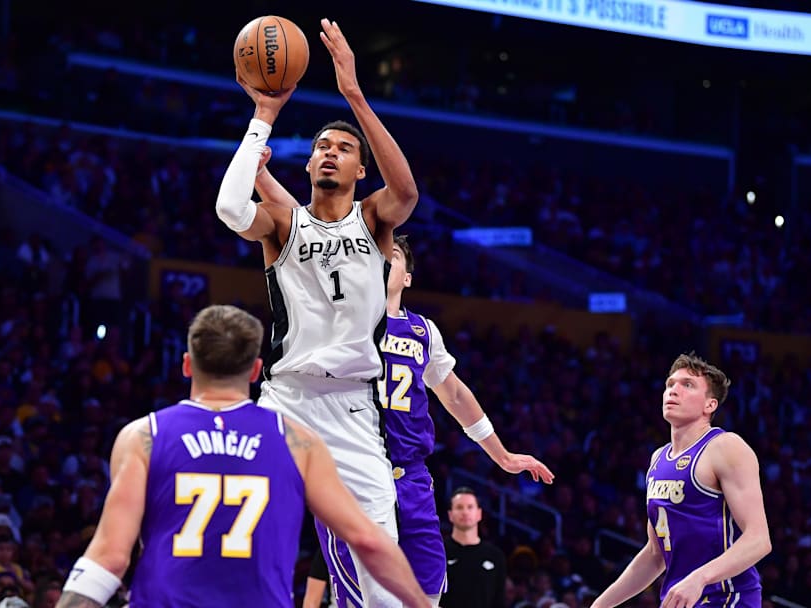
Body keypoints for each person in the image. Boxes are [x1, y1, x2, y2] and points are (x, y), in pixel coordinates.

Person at [255, 189, 556, 607]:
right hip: (354, 465)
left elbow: (453, 392)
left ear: (407, 275)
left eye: (391, 254)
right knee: (361, 595)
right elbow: (310, 231)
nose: (381, 257)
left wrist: (501, 455)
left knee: (427, 591)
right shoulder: (341, 321)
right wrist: (263, 175)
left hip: (411, 477)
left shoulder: (423, 331)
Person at [215, 17, 419, 607]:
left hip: (355, 409)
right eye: (322, 147)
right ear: (306, 167)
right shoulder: (284, 223)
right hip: (285, 404)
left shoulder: (375, 219)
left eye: (344, 148)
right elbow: (231, 208)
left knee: (383, 567)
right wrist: (264, 115)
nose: (330, 152)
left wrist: (354, 94)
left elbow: (406, 193)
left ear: (361, 171)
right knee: (243, 542)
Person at [56, 305, 429, 608]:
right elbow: (367, 539)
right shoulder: (297, 441)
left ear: (187, 364)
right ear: (254, 370)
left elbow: (109, 558)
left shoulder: (144, 436)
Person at [591, 353, 771, 608]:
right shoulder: (658, 459)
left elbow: (759, 540)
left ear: (710, 405)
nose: (673, 390)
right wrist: (600, 605)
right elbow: (656, 555)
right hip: (681, 600)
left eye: (687, 385)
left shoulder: (725, 447)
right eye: (670, 384)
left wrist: (699, 579)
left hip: (728, 598)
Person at [439, 488, 506, 608]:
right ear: (450, 515)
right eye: (459, 507)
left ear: (479, 513)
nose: (465, 512)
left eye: (470, 507)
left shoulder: (495, 555)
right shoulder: (439, 552)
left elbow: (499, 600)